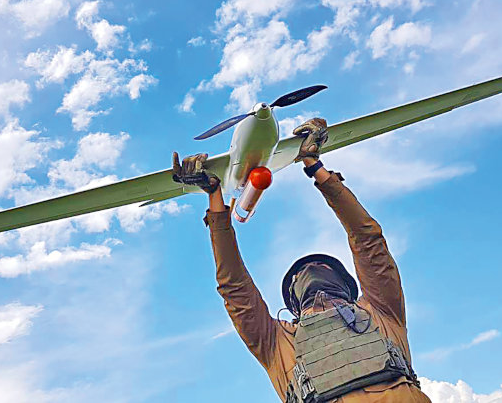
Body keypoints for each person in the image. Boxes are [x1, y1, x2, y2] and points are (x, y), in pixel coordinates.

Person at [172, 117, 430, 402]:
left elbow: (368, 241)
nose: (310, 271)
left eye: (321, 267)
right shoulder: (276, 341)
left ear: (347, 285)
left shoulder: (381, 310)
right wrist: (215, 197)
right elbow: (234, 288)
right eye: (303, 273)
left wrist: (315, 166)